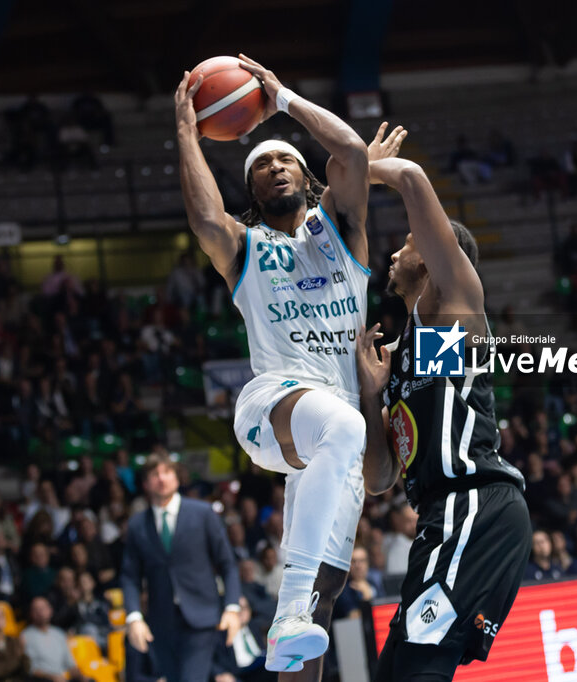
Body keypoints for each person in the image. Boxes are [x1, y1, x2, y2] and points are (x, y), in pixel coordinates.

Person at [174, 54, 406, 676]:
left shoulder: (343, 231)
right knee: (344, 428)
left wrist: (283, 101)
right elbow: (202, 217)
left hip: (335, 426)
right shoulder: (243, 246)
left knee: (323, 599)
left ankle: (292, 618)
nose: (274, 168)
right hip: (272, 406)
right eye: (261, 165)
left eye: (285, 160)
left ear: (307, 178)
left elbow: (353, 154)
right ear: (250, 190)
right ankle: (287, 610)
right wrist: (186, 134)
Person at [356, 150, 531, 681]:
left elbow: (410, 176)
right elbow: (380, 478)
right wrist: (372, 396)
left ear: (434, 257)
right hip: (445, 518)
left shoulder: (451, 315)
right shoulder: (409, 349)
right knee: (402, 670)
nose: (395, 252)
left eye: (408, 242)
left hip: (474, 506)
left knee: (412, 667)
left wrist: (353, 170)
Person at [120, 455, 242, 682]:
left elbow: (227, 564)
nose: (161, 479)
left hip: (202, 616)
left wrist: (232, 607)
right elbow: (130, 576)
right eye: (155, 474)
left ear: (176, 478)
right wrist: (134, 617)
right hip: (161, 621)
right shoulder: (137, 524)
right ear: (146, 484)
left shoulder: (202, 513)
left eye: (167, 472)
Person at [20, 596, 88, 682]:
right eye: (36, 609)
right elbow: (29, 669)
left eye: (43, 608)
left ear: (50, 610)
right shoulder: (25, 636)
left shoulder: (59, 634)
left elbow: (70, 664)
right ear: (31, 613)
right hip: (42, 679)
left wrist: (81, 676)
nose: (40, 612)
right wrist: (52, 677)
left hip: (62, 678)